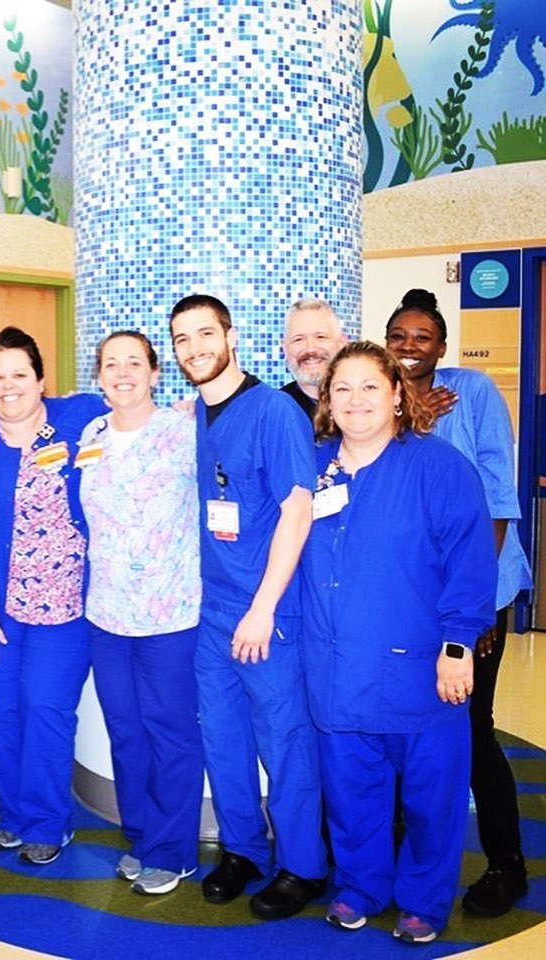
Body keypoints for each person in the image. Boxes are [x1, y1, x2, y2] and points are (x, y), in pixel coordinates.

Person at [304, 340, 497, 943]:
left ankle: (424, 900)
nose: (355, 400)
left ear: (395, 395)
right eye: (342, 389)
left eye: (370, 386)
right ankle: (360, 887)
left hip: (420, 670)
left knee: (431, 798)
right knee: (351, 792)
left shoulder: (438, 467)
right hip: (337, 669)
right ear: (327, 401)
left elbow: (470, 561)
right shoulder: (311, 469)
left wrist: (458, 646)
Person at [169, 294, 327, 920]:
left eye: (205, 333)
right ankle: (243, 849)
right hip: (213, 613)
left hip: (268, 613)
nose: (194, 348)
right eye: (182, 339)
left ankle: (303, 865)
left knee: (284, 741)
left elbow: (297, 510)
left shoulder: (274, 412)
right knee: (224, 737)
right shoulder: (195, 416)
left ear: (231, 336)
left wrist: (262, 608)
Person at [0, 327, 106, 865]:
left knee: (45, 707)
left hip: (67, 607)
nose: (9, 386)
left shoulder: (79, 418)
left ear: (41, 381)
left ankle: (48, 822)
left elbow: (133, 410)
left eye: (20, 375)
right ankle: (13, 814)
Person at [385, 289, 532, 917]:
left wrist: (478, 606)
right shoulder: (386, 398)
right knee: (401, 724)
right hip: (408, 597)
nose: (409, 346)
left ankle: (507, 865)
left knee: (471, 727)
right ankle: (396, 854)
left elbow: (497, 494)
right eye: (399, 336)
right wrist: (409, 411)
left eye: (422, 337)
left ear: (442, 346)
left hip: (474, 592)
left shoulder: (471, 392)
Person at [78, 331, 203, 895]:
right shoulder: (92, 435)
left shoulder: (184, 431)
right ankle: (143, 836)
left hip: (170, 613)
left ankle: (174, 852)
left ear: (156, 373)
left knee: (170, 732)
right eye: (111, 364)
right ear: (99, 376)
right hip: (107, 614)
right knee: (126, 732)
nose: (123, 373)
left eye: (135, 363)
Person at [280, 298, 347, 420]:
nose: (310, 349)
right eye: (298, 339)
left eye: (320, 337)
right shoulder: (276, 411)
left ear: (342, 343)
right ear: (285, 348)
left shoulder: (361, 405)